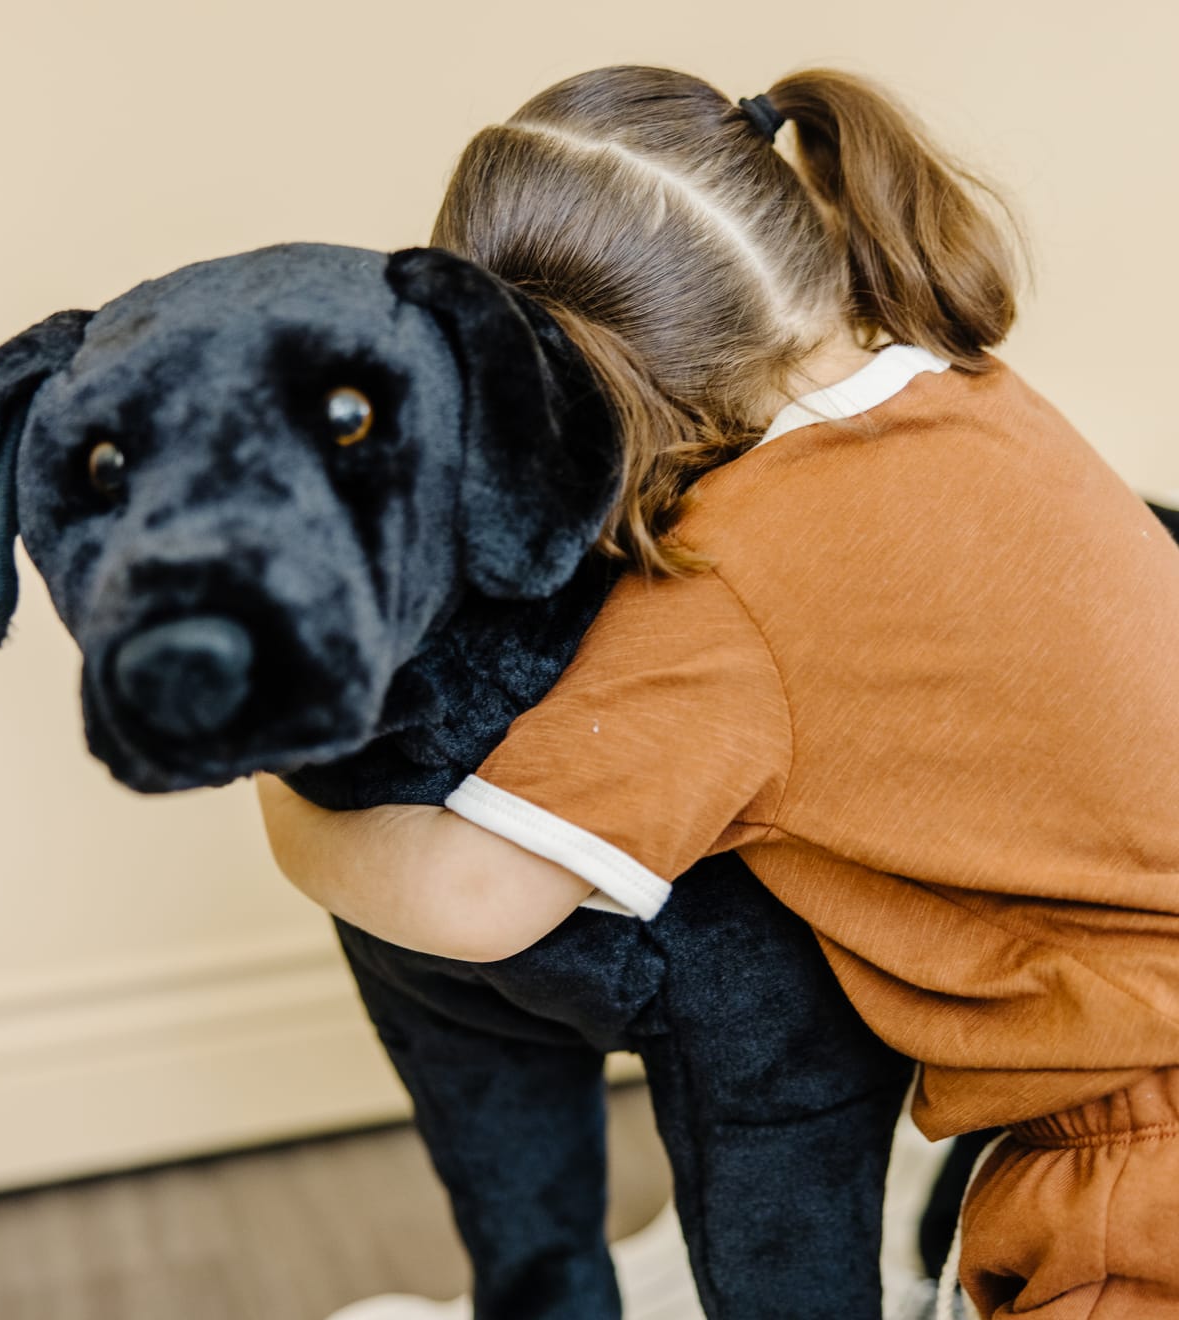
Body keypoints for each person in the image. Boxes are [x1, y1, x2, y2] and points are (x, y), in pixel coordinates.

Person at [257, 65, 1179, 1317]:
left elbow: (473, 898)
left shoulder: (727, 585)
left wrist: (280, 776)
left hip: (1136, 1169)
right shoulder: (969, 388)